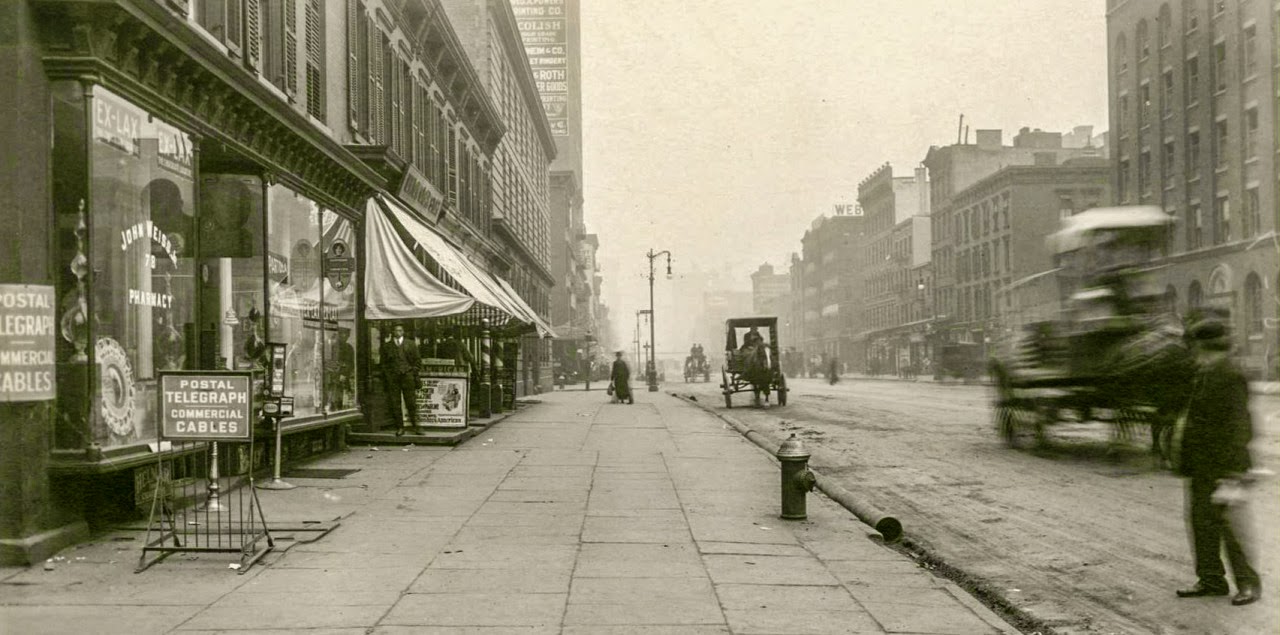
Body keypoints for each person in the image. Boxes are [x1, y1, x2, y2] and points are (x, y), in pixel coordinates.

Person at [1173, 315, 1260, 606]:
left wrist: (1234, 471)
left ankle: (1248, 584)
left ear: (1208, 347)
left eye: (1197, 349)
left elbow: (1240, 426)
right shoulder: (1205, 373)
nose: (1195, 355)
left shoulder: (1231, 375)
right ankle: (1211, 580)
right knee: (1201, 523)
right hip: (1201, 465)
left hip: (1225, 466)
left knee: (1231, 528)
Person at [380, 323, 421, 435]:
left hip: (408, 376)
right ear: (392, 332)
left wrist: (412, 372)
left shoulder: (411, 344)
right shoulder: (387, 346)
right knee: (395, 403)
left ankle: (416, 426)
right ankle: (400, 427)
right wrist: (388, 375)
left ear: (403, 332)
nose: (398, 332)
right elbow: (383, 363)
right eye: (395, 330)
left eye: (400, 330)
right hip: (393, 378)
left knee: (411, 402)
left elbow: (418, 361)